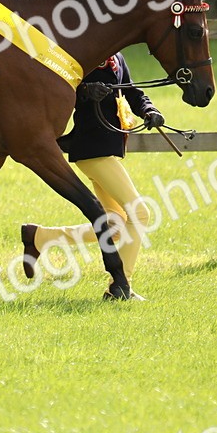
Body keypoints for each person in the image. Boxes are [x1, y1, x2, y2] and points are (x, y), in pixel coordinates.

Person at [21, 52, 164, 299]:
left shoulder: (118, 57)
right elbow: (59, 89)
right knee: (140, 213)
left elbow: (132, 92)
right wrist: (86, 91)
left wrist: (149, 110)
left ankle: (40, 237)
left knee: (115, 224)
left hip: (107, 149)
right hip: (92, 149)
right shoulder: (82, 54)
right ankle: (121, 286)